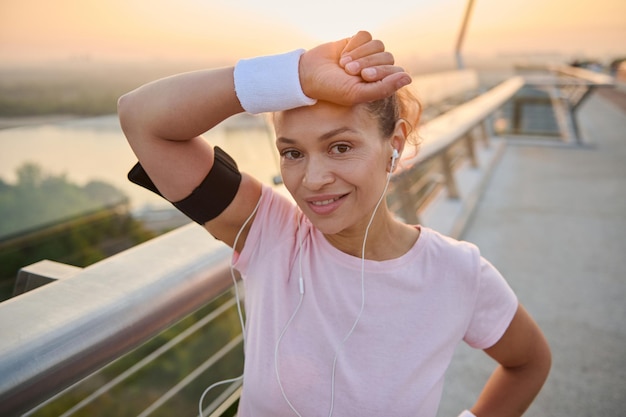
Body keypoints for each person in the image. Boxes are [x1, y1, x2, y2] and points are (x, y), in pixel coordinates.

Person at [118, 31, 551, 417]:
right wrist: (296, 73)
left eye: (340, 147)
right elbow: (140, 116)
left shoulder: (458, 273)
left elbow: (529, 363)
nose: (312, 179)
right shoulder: (268, 231)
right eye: (292, 153)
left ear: (393, 146)